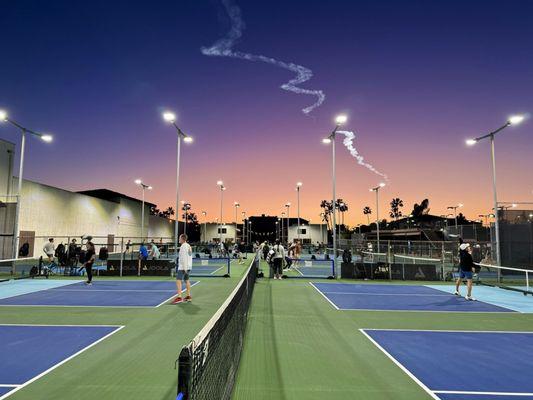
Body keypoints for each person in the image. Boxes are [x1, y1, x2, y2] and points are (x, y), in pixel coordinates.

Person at [173, 234, 192, 304]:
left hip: (183, 267)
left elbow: (184, 258)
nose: (179, 239)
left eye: (179, 238)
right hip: (188, 266)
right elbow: (190, 256)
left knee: (178, 281)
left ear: (182, 239)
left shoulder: (183, 246)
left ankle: (179, 297)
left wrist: (185, 268)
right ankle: (188, 296)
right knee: (186, 280)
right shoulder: (188, 246)